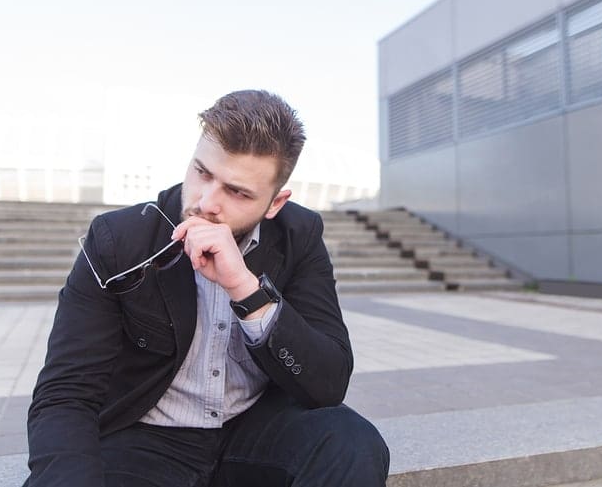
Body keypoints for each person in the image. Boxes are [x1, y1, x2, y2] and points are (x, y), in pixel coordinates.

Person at [25, 90, 390, 487]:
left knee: (352, 444)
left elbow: (328, 383)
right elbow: (65, 394)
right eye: (202, 172)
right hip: (144, 438)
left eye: (237, 192)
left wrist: (247, 290)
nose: (206, 202)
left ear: (275, 203)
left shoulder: (297, 235)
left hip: (252, 428)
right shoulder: (120, 239)